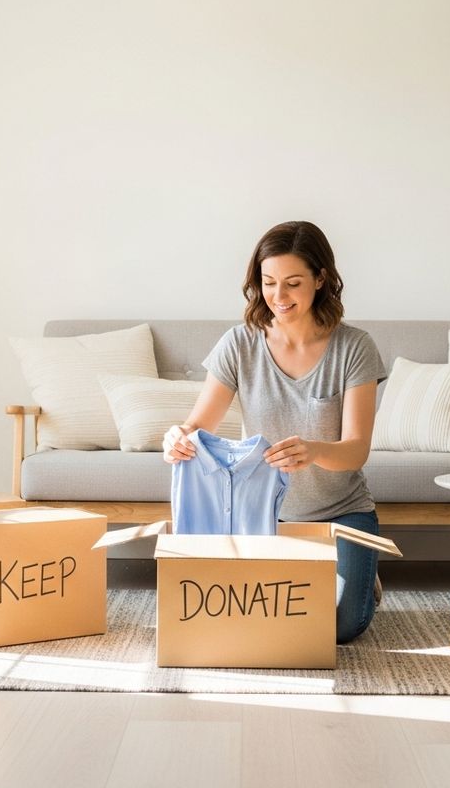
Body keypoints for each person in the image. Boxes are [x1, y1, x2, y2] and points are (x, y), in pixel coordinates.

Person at [162, 221, 386, 643]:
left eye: (293, 283)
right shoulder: (240, 343)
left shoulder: (354, 347)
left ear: (321, 280)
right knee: (254, 617)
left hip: (342, 514)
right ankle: (338, 574)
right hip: (262, 515)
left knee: (339, 627)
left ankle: (359, 576)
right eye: (268, 283)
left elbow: (356, 451)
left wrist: (314, 450)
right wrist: (177, 438)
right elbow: (197, 425)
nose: (279, 297)